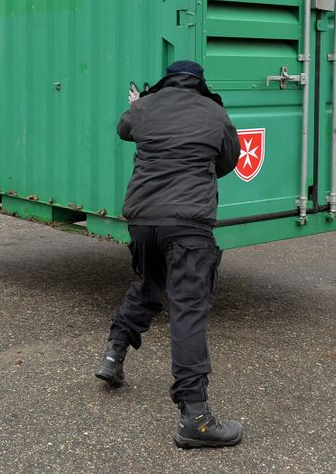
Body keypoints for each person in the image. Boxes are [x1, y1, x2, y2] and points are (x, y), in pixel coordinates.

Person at [96, 60, 244, 449]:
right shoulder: (215, 112)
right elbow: (229, 160)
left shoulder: (146, 106)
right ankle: (195, 417)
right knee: (188, 308)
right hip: (189, 223)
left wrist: (142, 101)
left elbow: (124, 130)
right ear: (199, 84)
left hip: (143, 219)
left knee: (149, 283)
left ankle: (114, 352)